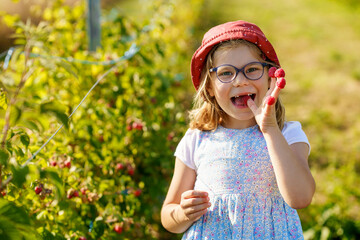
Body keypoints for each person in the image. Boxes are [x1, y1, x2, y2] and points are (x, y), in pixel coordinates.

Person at [161, 20, 315, 239]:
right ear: (210, 87)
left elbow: (300, 198)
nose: (241, 81)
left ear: (271, 78)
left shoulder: (287, 134)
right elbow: (169, 216)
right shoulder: (197, 140)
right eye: (226, 73)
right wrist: (182, 214)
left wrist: (269, 128)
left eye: (252, 69)